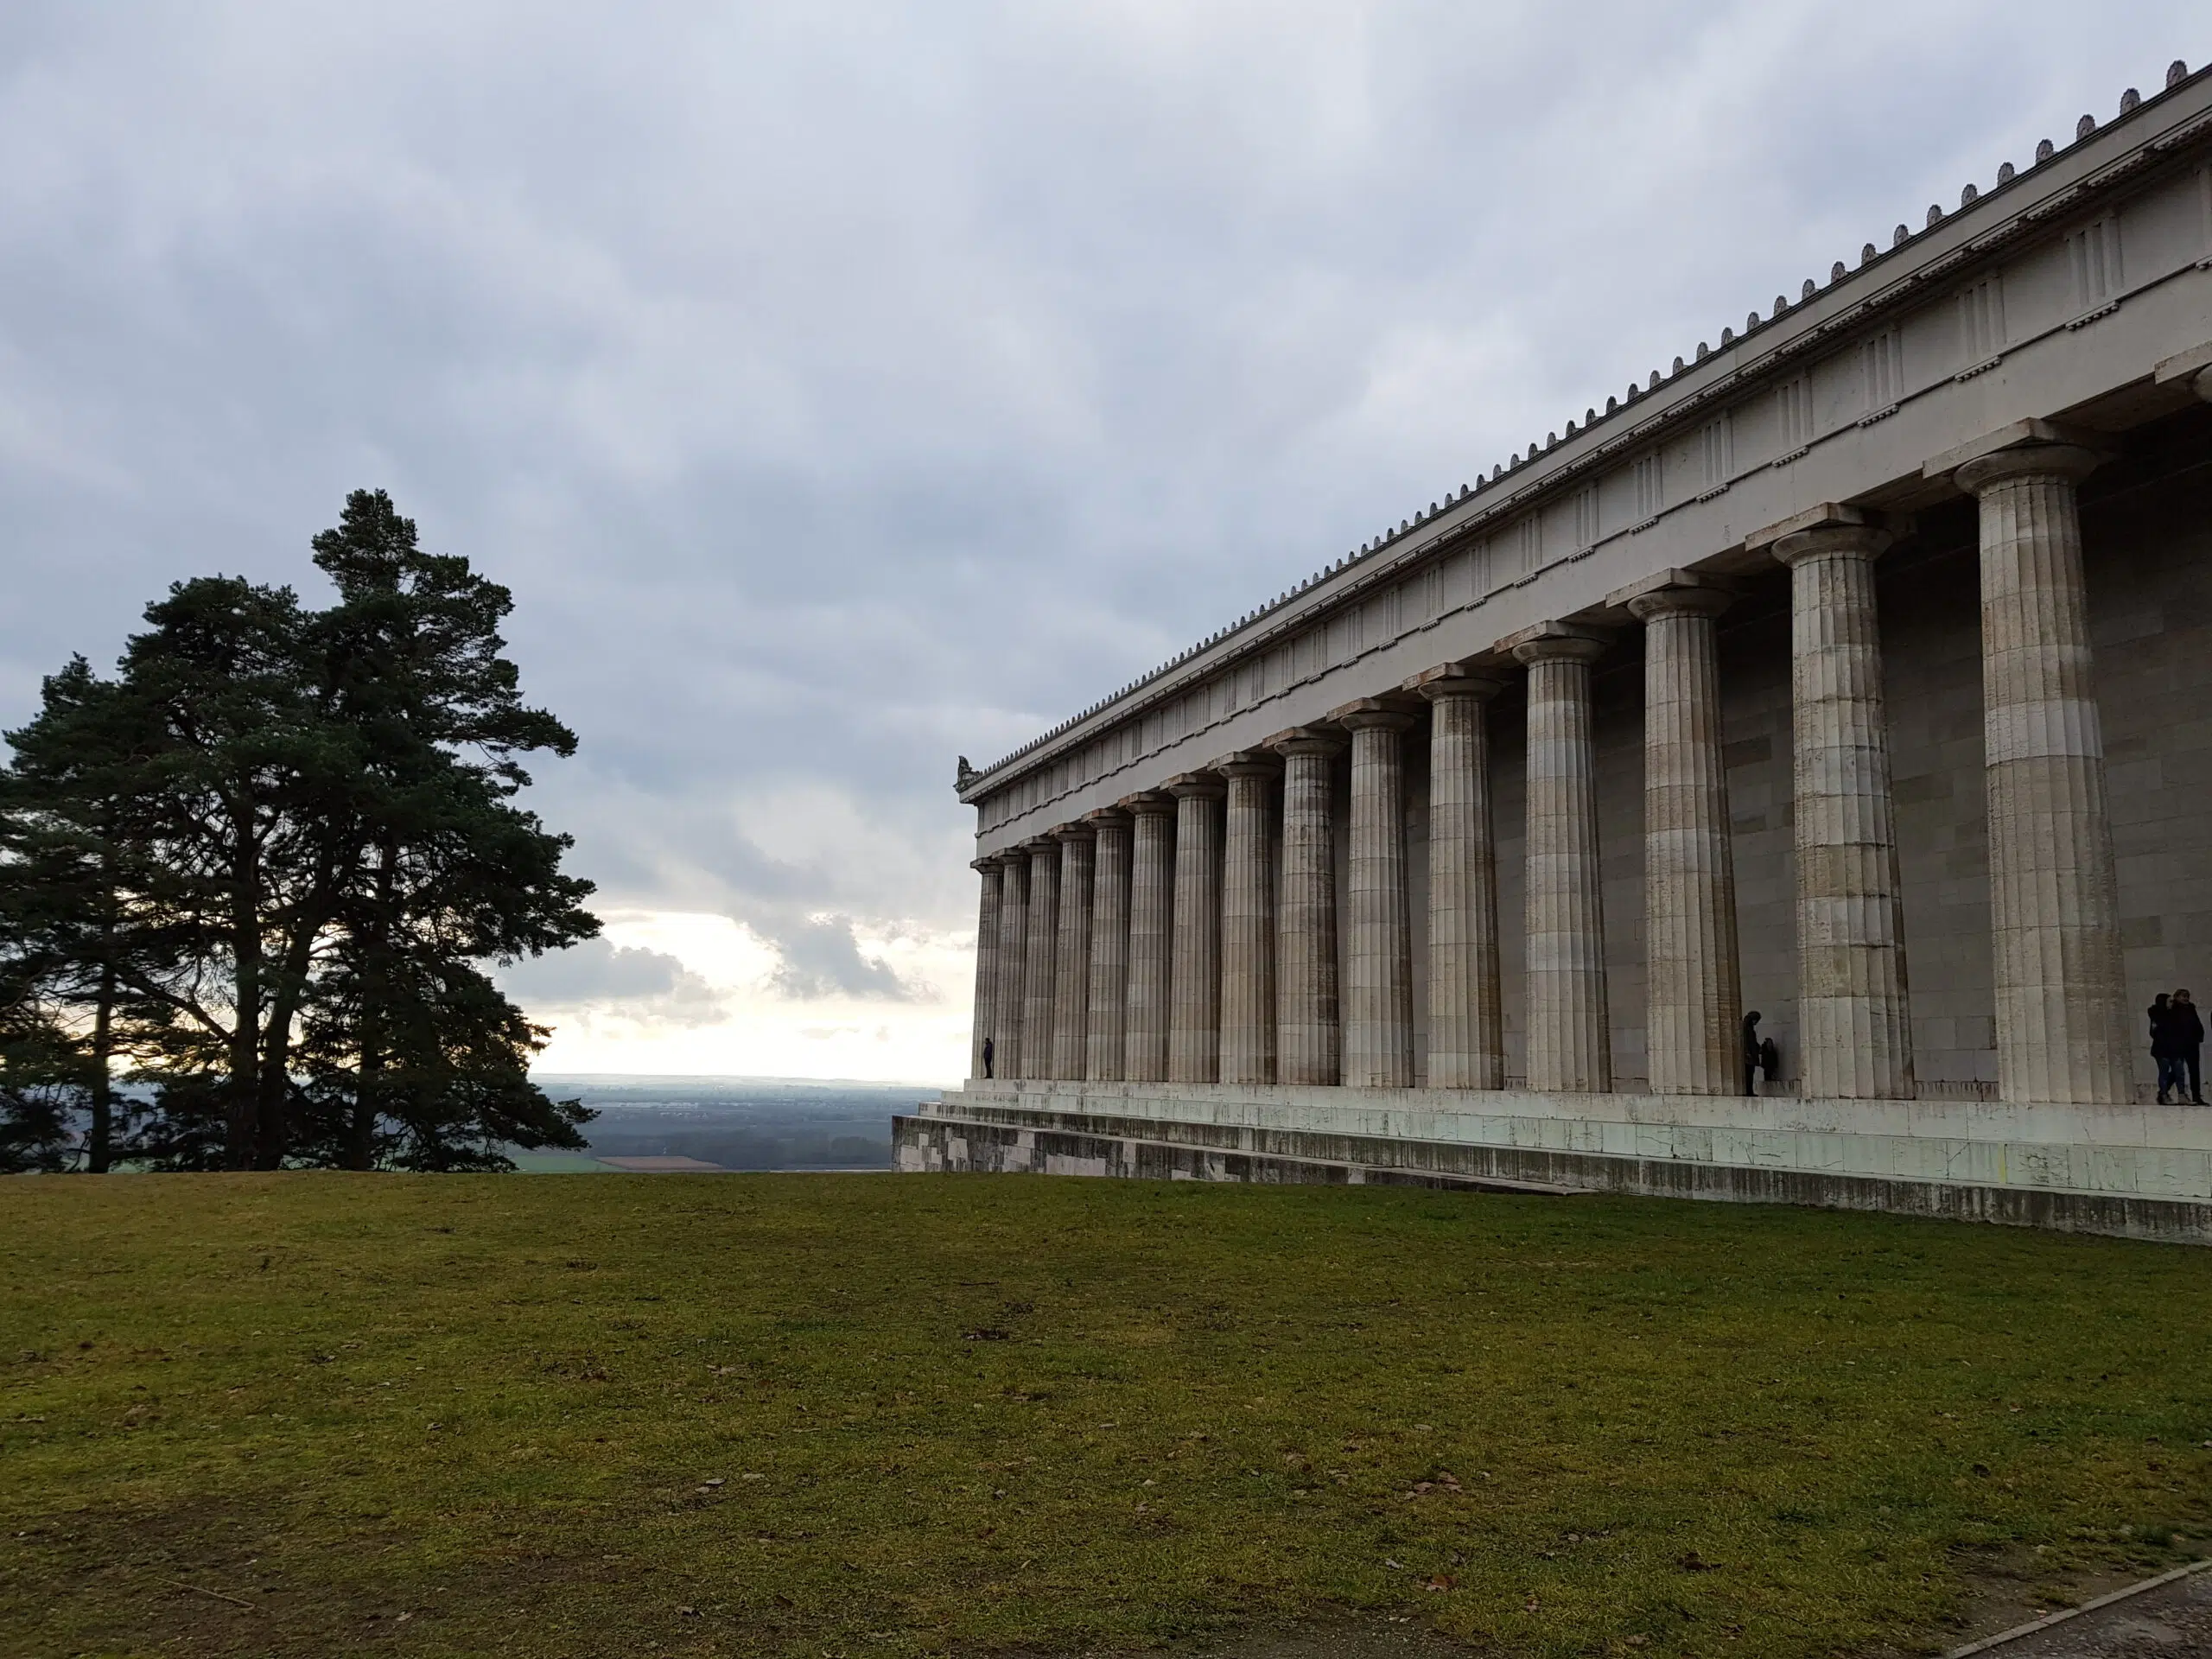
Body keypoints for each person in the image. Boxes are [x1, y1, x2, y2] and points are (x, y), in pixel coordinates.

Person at [2172, 990, 2205, 1104]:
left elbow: (2197, 1023)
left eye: (2187, 996)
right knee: (2177, 1070)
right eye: (2183, 996)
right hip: (2179, 1044)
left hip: (2192, 1044)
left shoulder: (2191, 1008)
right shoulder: (2173, 1009)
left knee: (2194, 1071)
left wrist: (2199, 1036)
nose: (2186, 999)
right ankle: (2164, 1092)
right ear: (2177, 997)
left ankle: (2196, 1096)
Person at [2150, 994, 2179, 1103]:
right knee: (2164, 1072)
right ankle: (2163, 1094)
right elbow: (2153, 1032)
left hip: (2172, 1048)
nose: (2172, 1004)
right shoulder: (2157, 1015)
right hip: (2161, 1049)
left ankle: (2164, 1091)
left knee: (2177, 1071)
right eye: (2170, 1001)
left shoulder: (2173, 1014)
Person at [1742, 1011, 1763, 1096]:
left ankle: (1749, 1091)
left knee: (1750, 1074)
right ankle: (1748, 1092)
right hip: (1748, 1057)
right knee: (1749, 1075)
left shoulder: (1749, 1028)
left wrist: (1758, 1048)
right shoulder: (1746, 1029)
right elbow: (1746, 1042)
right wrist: (1747, 1052)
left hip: (1750, 1056)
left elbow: (1752, 1042)